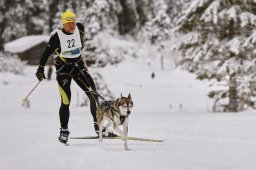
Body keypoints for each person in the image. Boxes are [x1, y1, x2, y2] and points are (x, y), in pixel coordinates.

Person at [35, 10, 116, 145]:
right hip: (63, 70)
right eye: (69, 23)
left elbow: (79, 43)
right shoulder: (56, 37)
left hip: (78, 67)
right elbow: (45, 53)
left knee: (93, 95)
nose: (72, 25)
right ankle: (64, 131)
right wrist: (40, 69)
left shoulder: (80, 29)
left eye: (73, 22)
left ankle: (98, 127)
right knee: (66, 101)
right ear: (64, 24)